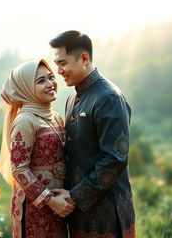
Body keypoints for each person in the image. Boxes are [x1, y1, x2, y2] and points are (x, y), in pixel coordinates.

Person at [49, 31, 136, 238]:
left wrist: (75, 196)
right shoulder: (72, 97)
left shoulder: (109, 97)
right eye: (57, 64)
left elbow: (115, 159)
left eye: (63, 63)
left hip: (108, 214)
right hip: (79, 213)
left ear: (84, 58)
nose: (59, 71)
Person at [0, 59, 75, 238]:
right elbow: (18, 169)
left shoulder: (55, 117)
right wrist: (49, 200)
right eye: (41, 81)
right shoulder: (26, 120)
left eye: (50, 77)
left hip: (58, 204)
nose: (50, 84)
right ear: (26, 88)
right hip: (34, 205)